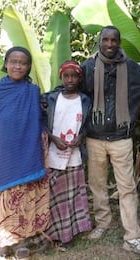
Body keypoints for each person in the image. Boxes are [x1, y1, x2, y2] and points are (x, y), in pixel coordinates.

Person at [80, 25, 140, 254]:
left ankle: (132, 235)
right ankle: (103, 223)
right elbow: (75, 90)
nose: (110, 44)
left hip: (122, 138)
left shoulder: (132, 69)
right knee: (97, 184)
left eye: (114, 40)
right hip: (95, 136)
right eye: (106, 40)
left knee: (127, 187)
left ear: (119, 42)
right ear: (100, 41)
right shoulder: (88, 67)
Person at [0, 46, 50, 259]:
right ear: (5, 64)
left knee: (23, 197)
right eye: (14, 62)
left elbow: (37, 119)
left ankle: (21, 243)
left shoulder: (32, 91)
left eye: (23, 63)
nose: (18, 66)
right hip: (2, 156)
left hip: (25, 153)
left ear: (28, 67)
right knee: (5, 199)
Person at [40, 61, 92, 250]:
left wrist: (81, 136)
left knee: (71, 197)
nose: (70, 80)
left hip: (74, 156)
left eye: (74, 76)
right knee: (54, 197)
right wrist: (53, 138)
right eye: (66, 76)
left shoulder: (85, 100)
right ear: (61, 78)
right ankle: (52, 234)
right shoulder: (51, 98)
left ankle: (68, 234)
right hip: (53, 155)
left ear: (80, 78)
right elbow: (42, 121)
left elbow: (86, 125)